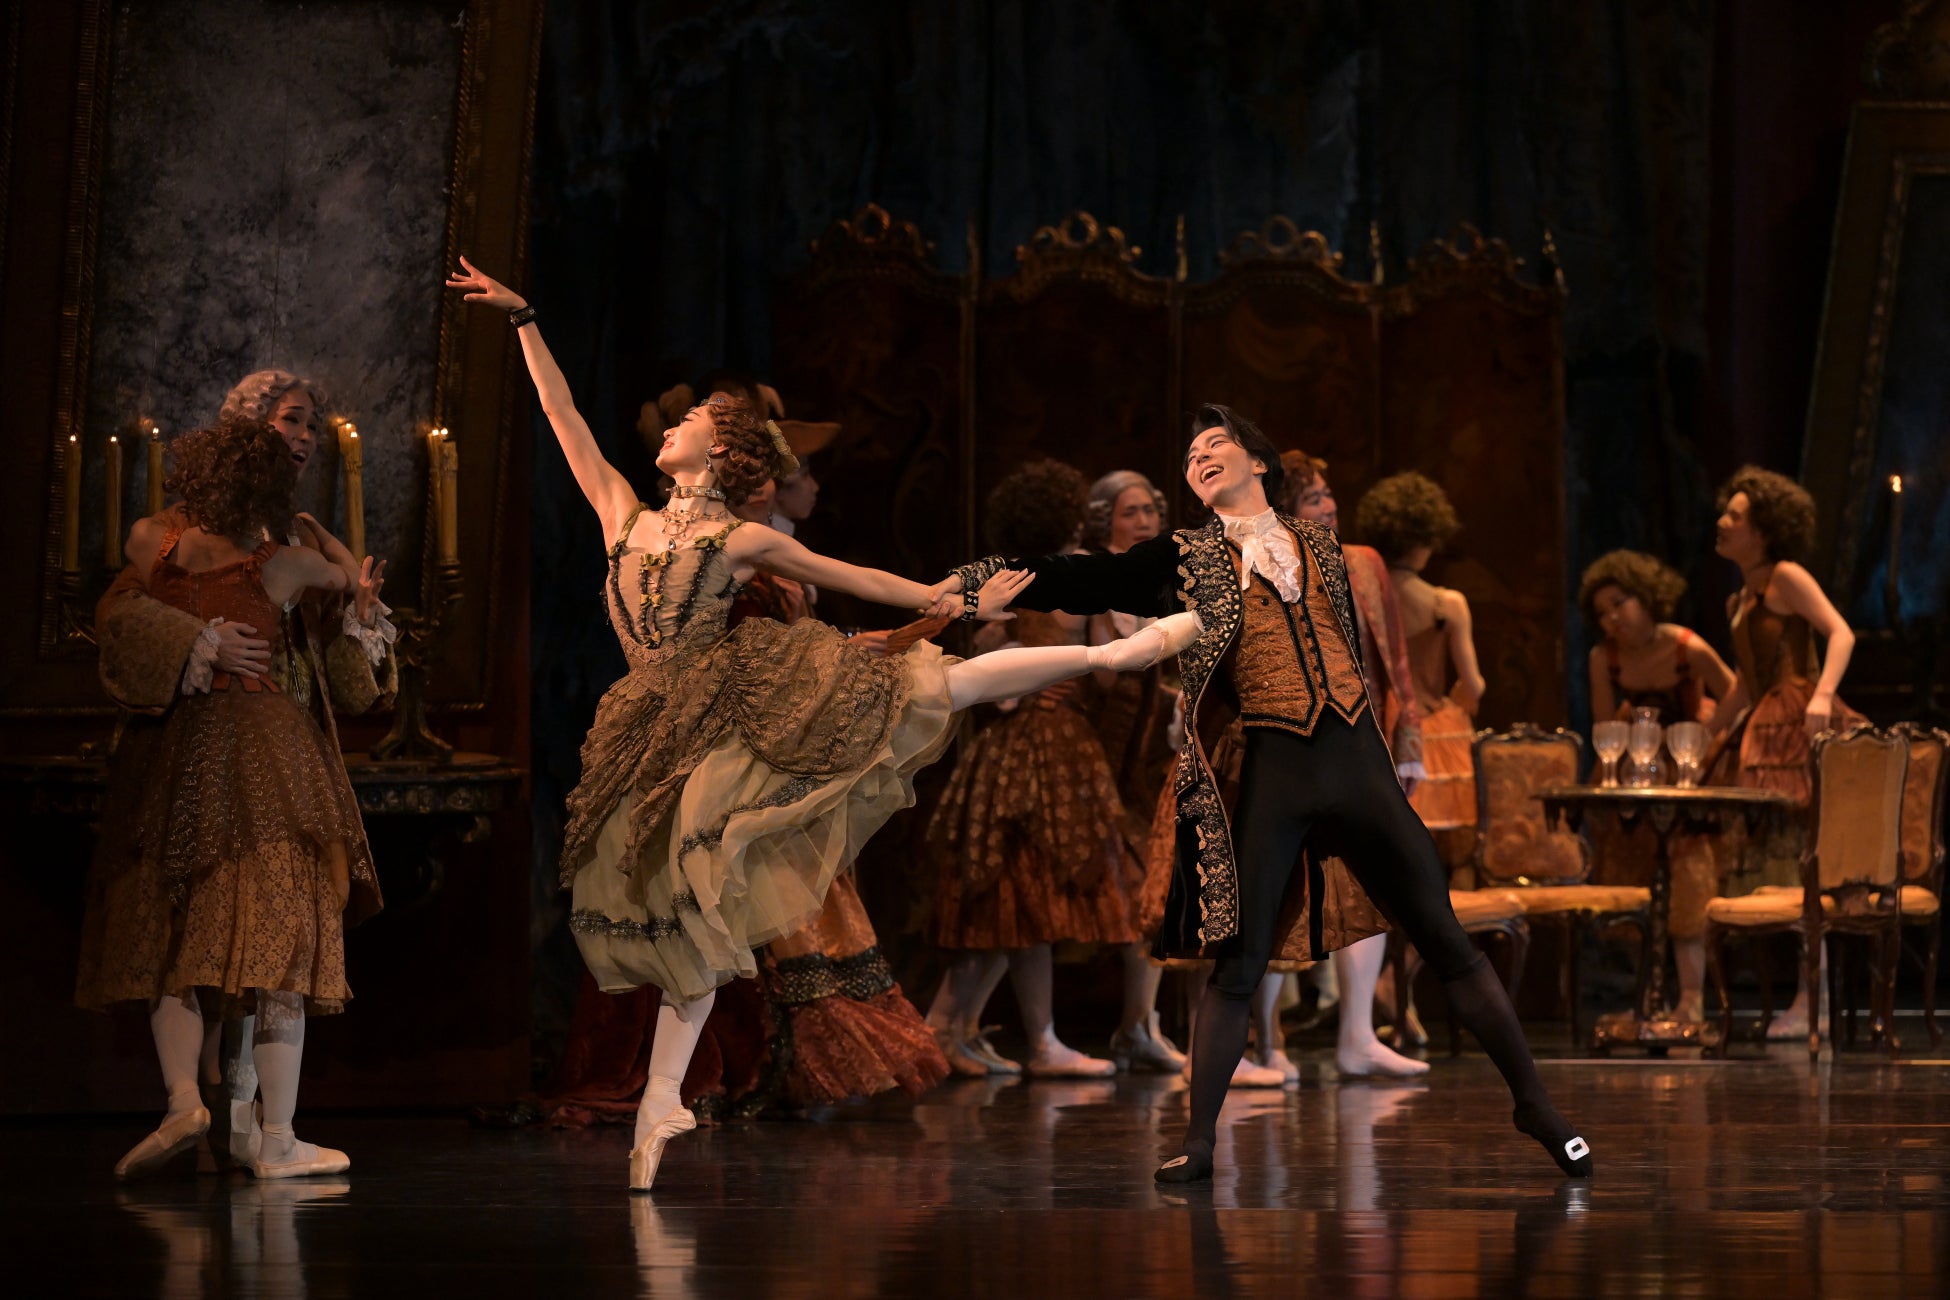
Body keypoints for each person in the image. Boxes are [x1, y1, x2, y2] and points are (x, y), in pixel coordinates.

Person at [447, 258, 1198, 1189]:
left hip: (738, 705)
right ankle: (662, 1099)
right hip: (651, 728)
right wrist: (524, 319)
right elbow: (560, 416)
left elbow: (863, 579)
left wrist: (954, 597)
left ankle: (1113, 655)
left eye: (691, 419)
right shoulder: (623, 517)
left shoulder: (741, 539)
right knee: (685, 913)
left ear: (719, 452)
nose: (672, 423)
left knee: (933, 689)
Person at [939, 404, 1590, 1184]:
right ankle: (1200, 1141)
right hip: (1278, 770)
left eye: (1216, 444)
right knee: (1239, 962)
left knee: (1446, 938)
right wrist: (971, 584)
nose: (1200, 456)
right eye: (1191, 454)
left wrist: (1404, 740)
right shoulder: (1186, 555)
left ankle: (1535, 1104)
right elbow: (1085, 578)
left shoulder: (1326, 548)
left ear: (1258, 462)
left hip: (1357, 764)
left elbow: (1371, 654)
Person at [92, 370, 395, 1173]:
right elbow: (120, 616)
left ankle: (235, 1122)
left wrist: (356, 617)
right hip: (228, 749)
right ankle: (246, 1126)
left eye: (312, 426)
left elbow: (344, 648)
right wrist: (199, 641)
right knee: (236, 929)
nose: (305, 438)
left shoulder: (275, 536)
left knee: (232, 929)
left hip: (260, 741)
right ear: (248, 430)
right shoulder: (197, 537)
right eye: (291, 421)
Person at [925, 462, 1152, 1079]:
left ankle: (952, 1028)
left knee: (1013, 897)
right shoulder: (1074, 578)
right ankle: (1014, 1037)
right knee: (1027, 895)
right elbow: (1109, 673)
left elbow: (982, 656)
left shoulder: (1009, 580)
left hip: (1009, 745)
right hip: (1051, 747)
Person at [1277, 450, 1430, 1078]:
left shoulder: (1363, 563)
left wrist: (1409, 742)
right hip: (1294, 742)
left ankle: (1358, 1034)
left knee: (1369, 878)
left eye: (1328, 494)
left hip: (1361, 740)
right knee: (1283, 884)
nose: (1330, 506)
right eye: (1313, 498)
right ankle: (1264, 1043)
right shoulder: (1264, 563)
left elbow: (1396, 658)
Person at [1707, 467, 1863, 1038]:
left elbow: (1840, 632)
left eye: (1736, 515)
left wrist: (1821, 695)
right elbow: (1745, 682)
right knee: (1777, 857)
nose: (1723, 522)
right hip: (1763, 721)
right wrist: (1708, 730)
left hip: (1798, 719)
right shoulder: (1740, 598)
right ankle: (1798, 994)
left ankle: (1811, 998)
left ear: (1765, 530)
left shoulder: (1786, 577)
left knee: (1803, 851)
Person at [1579, 549, 1737, 1022]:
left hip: (1686, 766)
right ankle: (1647, 1001)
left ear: (1646, 597)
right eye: (1602, 612)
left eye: (1619, 603)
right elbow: (1605, 725)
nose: (1612, 618)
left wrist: (1706, 735)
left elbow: (1735, 690)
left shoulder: (1686, 646)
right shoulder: (1603, 658)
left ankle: (1690, 1000)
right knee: (1634, 875)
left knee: (1687, 879)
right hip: (1637, 763)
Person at [1079, 471, 1186, 1075]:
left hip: (1145, 761)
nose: (1144, 522)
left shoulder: (1160, 582)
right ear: (1105, 520)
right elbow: (1099, 677)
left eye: (1150, 511)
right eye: (1130, 512)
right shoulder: (1092, 578)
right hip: (1094, 759)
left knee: (1153, 887)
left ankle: (1140, 1024)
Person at [1354, 472, 1483, 839]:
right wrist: (1458, 700)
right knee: (1443, 846)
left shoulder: (1361, 601)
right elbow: (1474, 686)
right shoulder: (1446, 604)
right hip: (1435, 736)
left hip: (1379, 729)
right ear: (1426, 537)